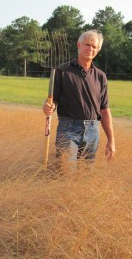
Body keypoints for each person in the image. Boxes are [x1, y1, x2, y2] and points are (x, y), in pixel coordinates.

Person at [43, 30, 115, 166]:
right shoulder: (61, 71)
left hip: (93, 130)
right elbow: (52, 100)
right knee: (66, 171)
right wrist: (48, 107)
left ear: (98, 50)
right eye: (87, 44)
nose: (90, 49)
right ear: (79, 45)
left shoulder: (101, 76)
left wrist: (111, 141)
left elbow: (104, 110)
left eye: (94, 47)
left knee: (86, 174)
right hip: (68, 128)